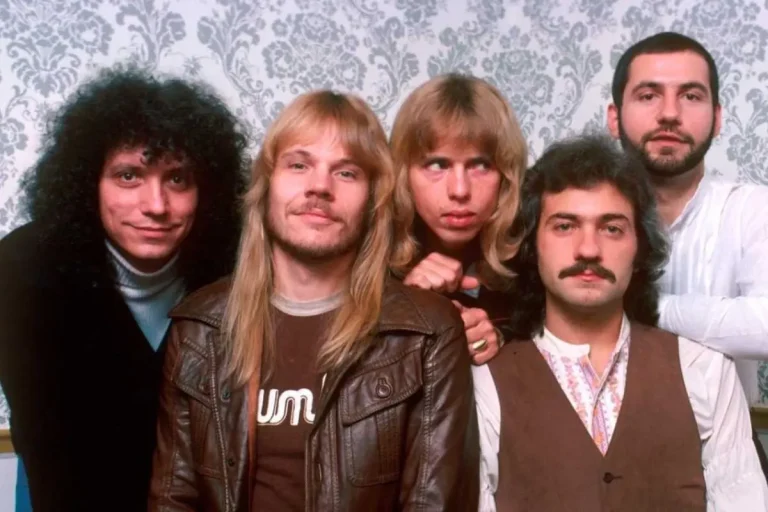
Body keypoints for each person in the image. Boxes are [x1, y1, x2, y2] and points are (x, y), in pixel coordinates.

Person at [148, 90, 479, 511]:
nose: (319, 186)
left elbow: (433, 504)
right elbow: (172, 499)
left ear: (373, 200)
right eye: (299, 164)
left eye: (346, 173)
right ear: (266, 188)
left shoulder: (425, 333)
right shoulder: (199, 327)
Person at [473, 134, 768, 511]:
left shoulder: (705, 372)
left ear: (639, 246)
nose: (588, 250)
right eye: (565, 226)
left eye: (611, 228)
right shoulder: (485, 382)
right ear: (533, 244)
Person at [0, 67, 247, 511]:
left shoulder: (234, 275)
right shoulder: (22, 269)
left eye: (177, 179)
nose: (156, 206)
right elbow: (47, 447)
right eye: (129, 176)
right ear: (87, 184)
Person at [607, 30, 768, 470]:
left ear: (717, 118)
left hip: (723, 450)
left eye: (691, 96)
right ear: (614, 117)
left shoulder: (753, 209)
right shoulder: (578, 218)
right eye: (648, 95)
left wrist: (644, 306)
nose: (670, 114)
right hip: (596, 453)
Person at [390, 73, 527, 364]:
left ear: (506, 175)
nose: (460, 191)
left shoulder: (537, 254)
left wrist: (500, 340)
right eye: (438, 165)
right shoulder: (366, 257)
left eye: (480, 165)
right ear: (404, 174)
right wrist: (402, 308)